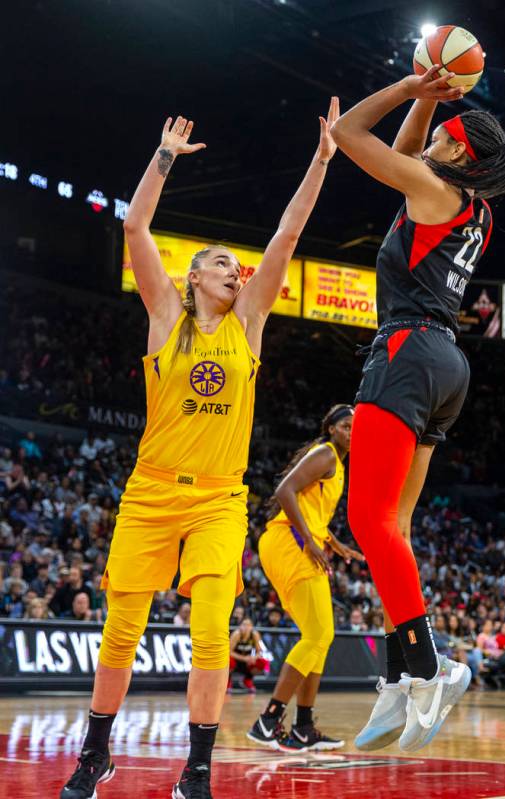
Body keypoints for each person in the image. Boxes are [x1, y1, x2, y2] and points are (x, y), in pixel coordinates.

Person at [60, 99, 340, 799]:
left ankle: (198, 772)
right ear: (192, 276)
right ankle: (96, 755)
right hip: (152, 488)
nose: (234, 269)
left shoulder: (248, 324)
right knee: (120, 631)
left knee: (212, 629)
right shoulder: (164, 314)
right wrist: (162, 158)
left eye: (235, 265)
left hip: (219, 497)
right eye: (220, 262)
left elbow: (288, 232)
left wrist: (322, 160)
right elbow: (134, 224)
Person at [331, 66, 505, 752]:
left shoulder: (432, 187)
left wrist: (404, 85)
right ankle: (397, 676)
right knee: (396, 526)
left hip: (408, 354)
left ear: (456, 153)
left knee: (366, 519)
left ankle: (427, 664)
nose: (429, 142)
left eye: (441, 136)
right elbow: (406, 148)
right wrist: (425, 104)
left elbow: (348, 133)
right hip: (447, 363)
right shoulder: (464, 201)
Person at [248, 405, 363, 752]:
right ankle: (268, 721)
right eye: (345, 426)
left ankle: (302, 727)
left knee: (320, 637)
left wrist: (332, 541)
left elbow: (312, 513)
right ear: (330, 429)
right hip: (288, 543)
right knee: (317, 634)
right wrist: (312, 541)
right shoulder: (326, 453)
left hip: (294, 543)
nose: (351, 433)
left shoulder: (337, 464)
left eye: (356, 428)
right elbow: (285, 491)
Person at [228, 617, 268, 693]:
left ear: (252, 627)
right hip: (236, 660)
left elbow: (260, 652)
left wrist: (254, 658)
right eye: (244, 624)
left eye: (248, 625)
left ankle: (247, 679)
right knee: (228, 660)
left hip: (248, 662)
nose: (246, 627)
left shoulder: (254, 634)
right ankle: (228, 681)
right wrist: (243, 658)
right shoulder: (236, 634)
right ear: (240, 626)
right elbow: (228, 651)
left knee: (262, 662)